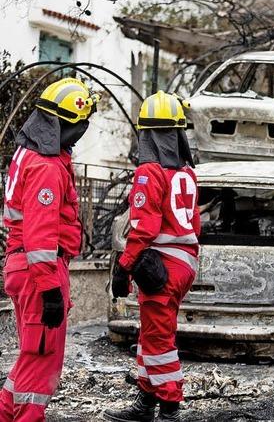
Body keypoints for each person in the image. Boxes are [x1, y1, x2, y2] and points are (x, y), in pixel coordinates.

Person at [0, 78, 99, 421]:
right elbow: (41, 235)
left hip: (24, 266)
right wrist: (50, 289)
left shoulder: (28, 155)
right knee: (41, 359)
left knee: (31, 356)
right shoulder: (45, 166)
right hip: (38, 269)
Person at [104, 91, 200, 422]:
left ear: (146, 133)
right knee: (150, 335)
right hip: (184, 262)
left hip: (162, 266)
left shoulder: (149, 172)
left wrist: (124, 266)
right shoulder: (187, 173)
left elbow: (144, 228)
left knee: (158, 341)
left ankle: (169, 408)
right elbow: (195, 224)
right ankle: (146, 401)